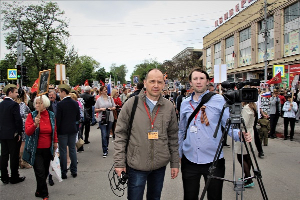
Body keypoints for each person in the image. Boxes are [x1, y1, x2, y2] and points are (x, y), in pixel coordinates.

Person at [178, 69, 252, 200]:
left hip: (214, 160)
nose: (198, 81)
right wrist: (179, 153)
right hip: (189, 159)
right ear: (190, 82)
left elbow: (228, 126)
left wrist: (239, 134)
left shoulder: (219, 100)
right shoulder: (184, 104)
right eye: (195, 79)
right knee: (189, 196)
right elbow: (182, 130)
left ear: (207, 81)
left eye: (202, 78)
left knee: (215, 197)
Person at [114, 69, 179, 200]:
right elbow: (120, 135)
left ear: (164, 84)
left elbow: (173, 136)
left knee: (155, 198)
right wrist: (119, 163)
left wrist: (175, 163)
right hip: (136, 164)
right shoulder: (131, 104)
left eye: (159, 82)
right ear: (145, 83)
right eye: (152, 81)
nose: (156, 85)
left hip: (159, 166)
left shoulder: (168, 106)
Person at [24, 95, 58, 200]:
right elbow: (28, 132)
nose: (37, 105)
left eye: (40, 103)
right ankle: (44, 194)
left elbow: (54, 129)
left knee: (44, 173)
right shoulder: (32, 115)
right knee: (40, 172)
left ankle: (39, 191)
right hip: (36, 149)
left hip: (48, 148)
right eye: (36, 103)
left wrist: (55, 142)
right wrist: (35, 124)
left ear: (46, 104)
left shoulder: (51, 115)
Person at [0, 84, 25, 184]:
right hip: (12, 134)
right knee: (14, 156)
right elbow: (18, 120)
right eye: (15, 92)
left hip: (2, 133)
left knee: (4, 155)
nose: (17, 94)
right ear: (10, 93)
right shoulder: (14, 105)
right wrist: (19, 132)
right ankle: (15, 176)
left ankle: (4, 177)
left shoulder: (1, 104)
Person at [56, 84, 80, 179]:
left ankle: (64, 172)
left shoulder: (60, 104)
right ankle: (74, 171)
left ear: (63, 92)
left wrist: (57, 130)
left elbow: (58, 119)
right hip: (72, 128)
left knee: (63, 151)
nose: (59, 94)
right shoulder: (75, 103)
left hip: (62, 130)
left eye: (59, 92)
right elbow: (78, 117)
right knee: (72, 149)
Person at [234, 102, 256, 188]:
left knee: (241, 156)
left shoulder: (247, 108)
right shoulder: (252, 106)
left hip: (244, 133)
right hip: (249, 131)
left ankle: (248, 178)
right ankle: (247, 177)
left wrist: (236, 121)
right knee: (247, 156)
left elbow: (243, 123)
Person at [95, 86, 116, 158]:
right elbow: (95, 109)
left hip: (109, 117)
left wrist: (110, 108)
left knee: (107, 134)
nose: (105, 91)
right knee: (103, 134)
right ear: (101, 91)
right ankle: (104, 150)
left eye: (106, 90)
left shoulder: (110, 98)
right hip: (102, 118)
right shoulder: (98, 100)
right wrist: (101, 109)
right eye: (104, 90)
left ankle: (106, 146)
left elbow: (114, 107)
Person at [15, 88, 32, 169]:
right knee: (23, 143)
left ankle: (18, 160)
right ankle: (22, 161)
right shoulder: (23, 105)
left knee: (17, 144)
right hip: (22, 126)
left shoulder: (14, 104)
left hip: (14, 126)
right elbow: (29, 114)